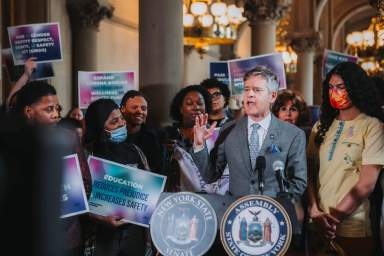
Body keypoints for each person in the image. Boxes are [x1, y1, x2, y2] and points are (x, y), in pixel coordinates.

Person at [192, 66, 307, 199]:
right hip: (237, 211)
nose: (250, 94)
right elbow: (210, 176)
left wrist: (273, 206)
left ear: (272, 96)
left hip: (273, 213)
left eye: (257, 90)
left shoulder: (293, 134)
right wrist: (199, 145)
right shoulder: (228, 130)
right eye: (247, 89)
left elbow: (298, 183)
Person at [306, 62, 384, 256]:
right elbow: (308, 172)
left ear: (355, 88)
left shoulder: (372, 126)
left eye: (341, 87)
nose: (335, 92)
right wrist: (314, 209)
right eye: (331, 87)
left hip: (353, 227)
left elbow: (367, 183)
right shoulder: (320, 127)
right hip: (318, 224)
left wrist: (332, 219)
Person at [83, 98, 149, 256]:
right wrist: (98, 217)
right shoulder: (86, 155)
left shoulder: (135, 150)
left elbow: (148, 190)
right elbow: (73, 200)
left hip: (134, 233)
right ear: (100, 127)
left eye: (121, 118)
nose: (122, 123)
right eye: (114, 121)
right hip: (99, 236)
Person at [158, 85, 212, 192]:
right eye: (189, 103)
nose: (196, 107)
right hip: (174, 197)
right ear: (181, 109)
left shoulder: (213, 135)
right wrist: (166, 153)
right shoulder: (167, 134)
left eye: (200, 103)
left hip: (206, 197)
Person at [120, 90, 164, 173]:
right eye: (134, 107)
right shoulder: (112, 136)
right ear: (122, 109)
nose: (140, 111)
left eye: (143, 108)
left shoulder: (154, 140)